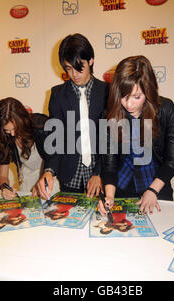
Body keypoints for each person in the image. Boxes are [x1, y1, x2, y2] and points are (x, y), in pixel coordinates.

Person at [99, 55, 174, 216]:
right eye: (123, 96)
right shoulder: (108, 115)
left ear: (149, 90)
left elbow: (173, 159)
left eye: (137, 97)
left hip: (157, 188)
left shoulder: (166, 109)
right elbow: (109, 163)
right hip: (121, 188)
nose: (129, 104)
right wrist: (109, 196)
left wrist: (152, 190)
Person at [37, 33, 109, 199]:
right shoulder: (57, 94)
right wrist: (49, 171)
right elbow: (55, 139)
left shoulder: (107, 92)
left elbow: (109, 138)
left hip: (101, 173)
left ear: (91, 60)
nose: (74, 74)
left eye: (79, 66)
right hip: (70, 173)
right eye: (69, 68)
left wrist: (99, 172)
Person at [0, 97, 59, 199]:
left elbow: (56, 159)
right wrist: (5, 187)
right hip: (27, 179)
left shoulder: (42, 126)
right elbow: (3, 176)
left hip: (50, 177)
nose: (12, 134)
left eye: (14, 128)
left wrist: (44, 178)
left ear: (22, 120)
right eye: (7, 130)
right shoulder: (3, 137)